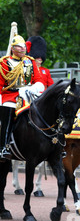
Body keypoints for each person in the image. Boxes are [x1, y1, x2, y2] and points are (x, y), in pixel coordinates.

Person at [0, 25, 44, 159]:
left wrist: (33, 88)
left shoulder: (30, 62)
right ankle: (4, 146)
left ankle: (54, 143)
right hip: (10, 96)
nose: (22, 48)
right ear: (12, 48)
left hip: (29, 94)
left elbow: (39, 80)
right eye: (19, 46)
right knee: (8, 112)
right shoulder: (4, 63)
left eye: (24, 46)